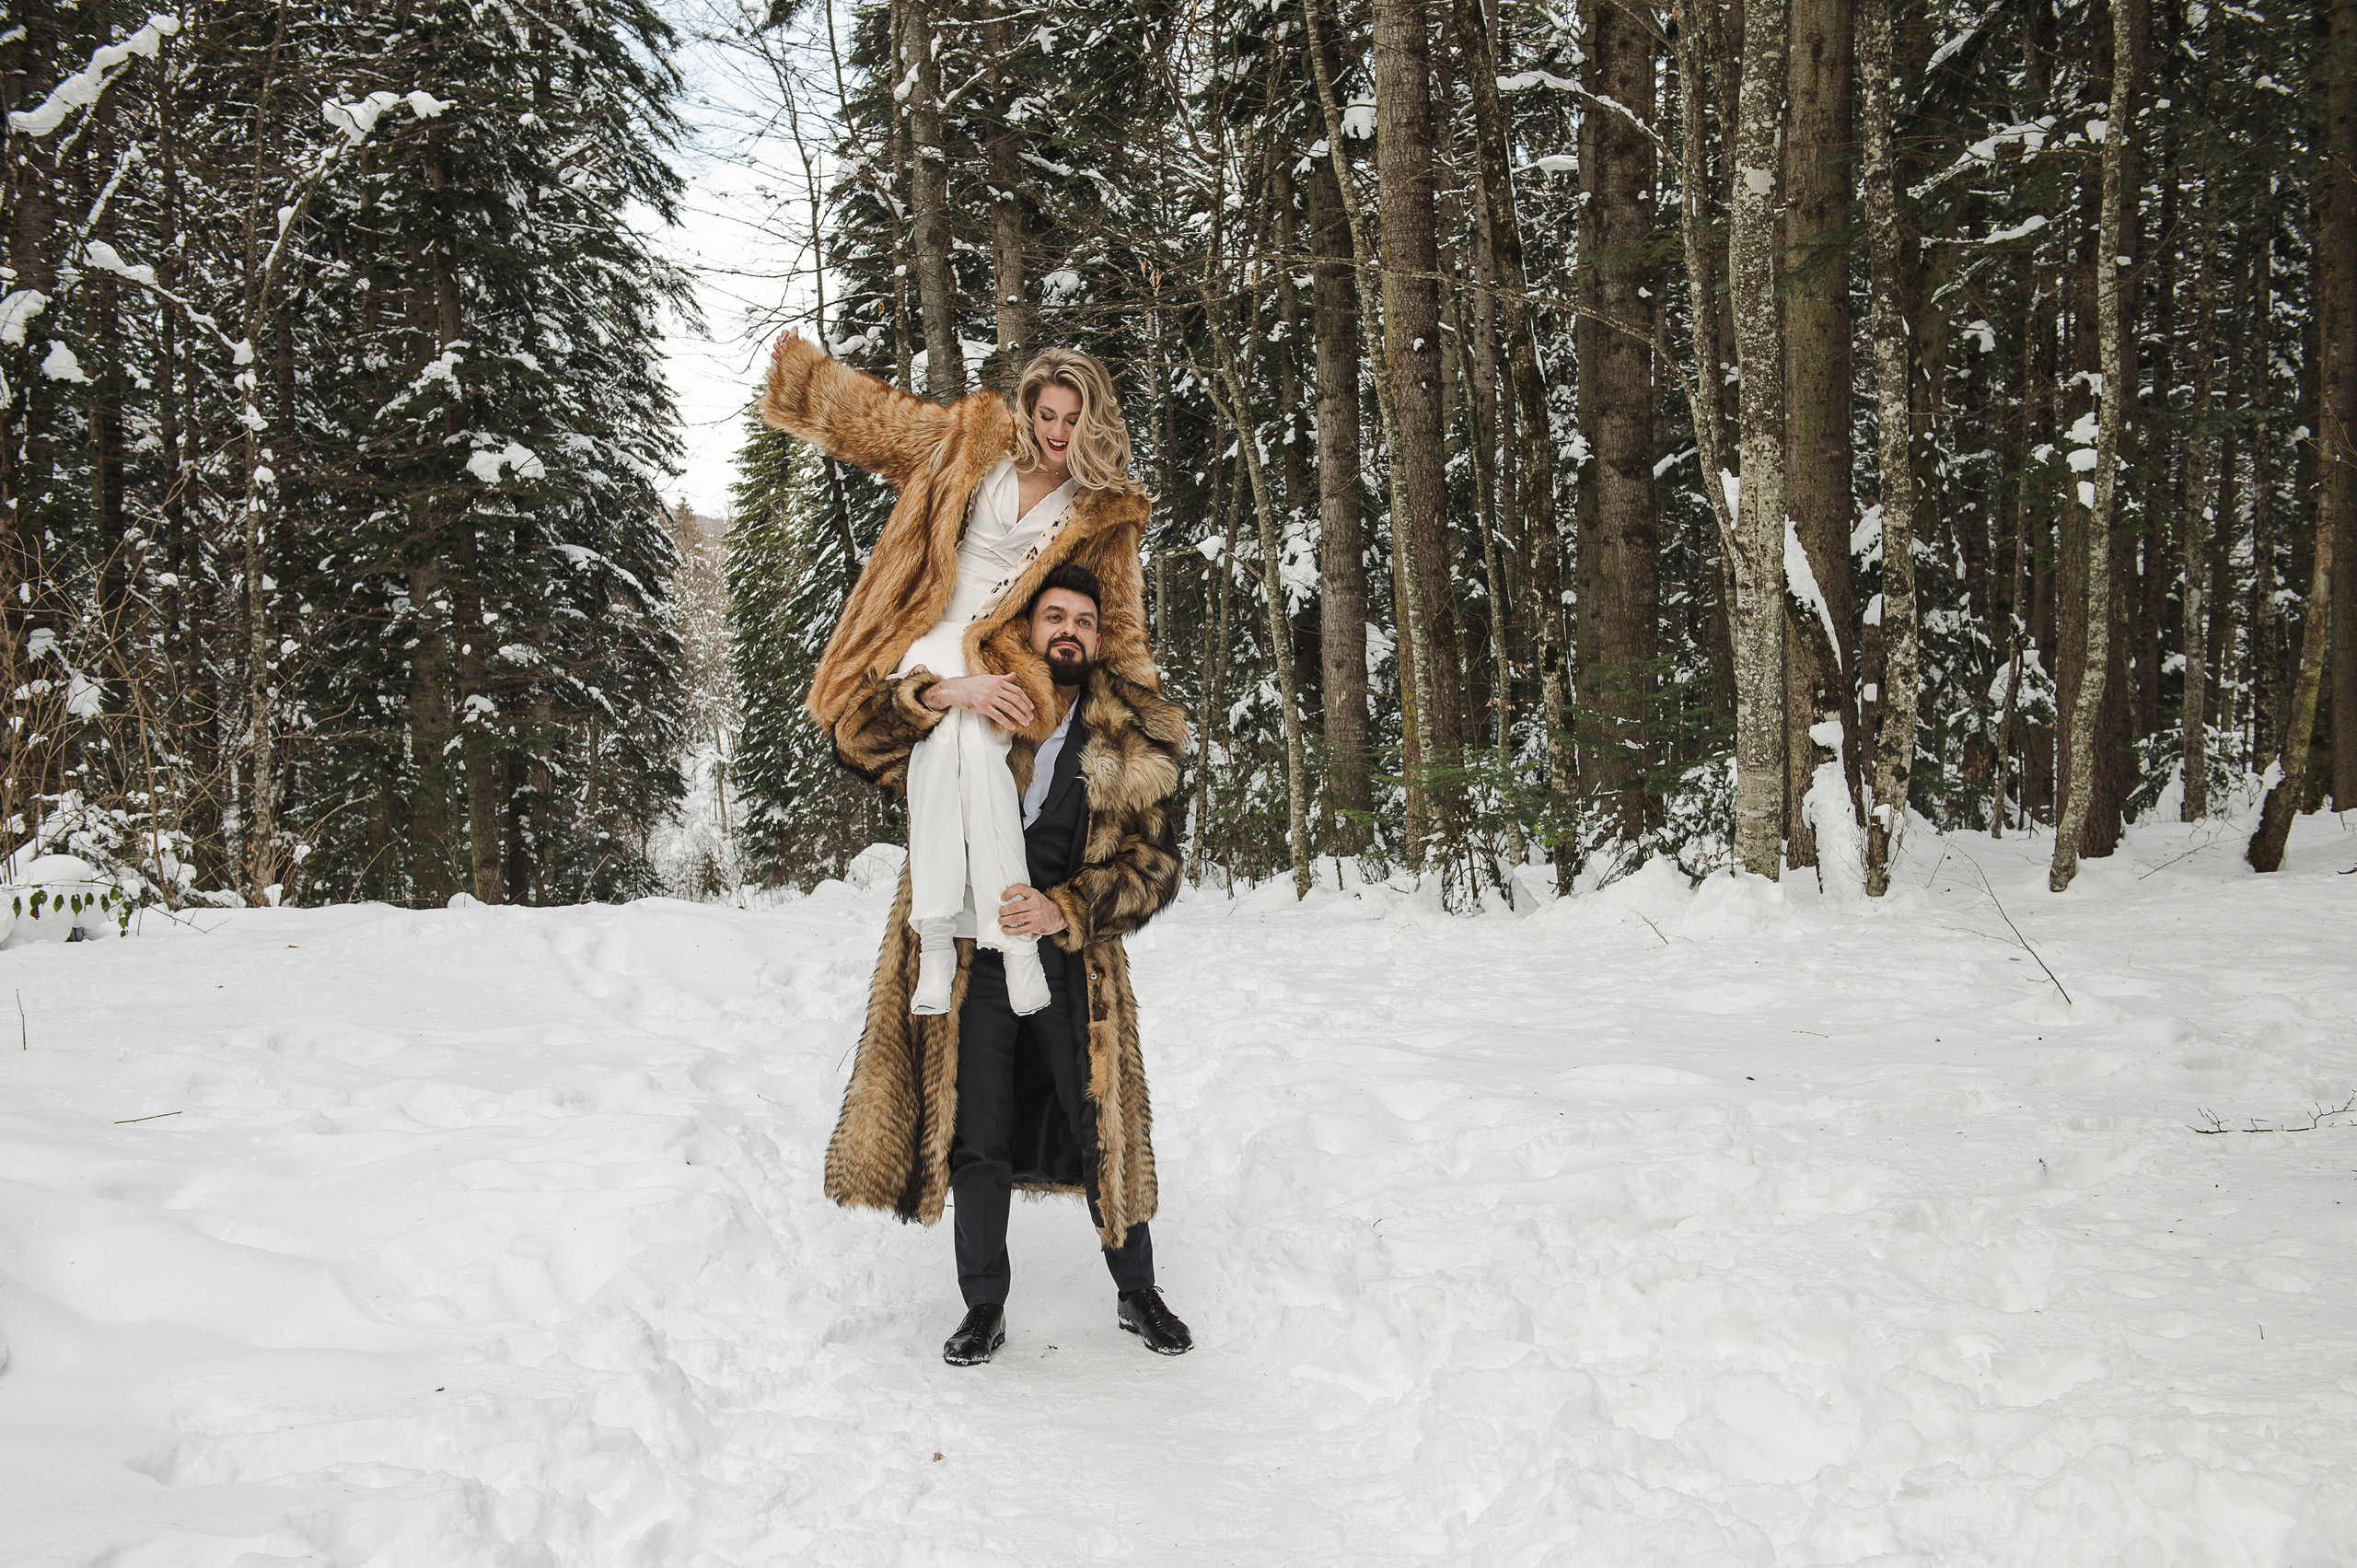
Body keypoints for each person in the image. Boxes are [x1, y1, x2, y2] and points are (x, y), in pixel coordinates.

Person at [758, 339, 1192, 1364]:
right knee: (976, 1124)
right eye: (1044, 414)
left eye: (1072, 420)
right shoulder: (979, 709)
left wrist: (1071, 903)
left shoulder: (1105, 564)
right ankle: (982, 1303)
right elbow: (880, 430)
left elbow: (1151, 857)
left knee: (1101, 1124)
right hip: (968, 911)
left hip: (1068, 943)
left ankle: (1139, 1291)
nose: (1055, 432)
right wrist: (808, 383)